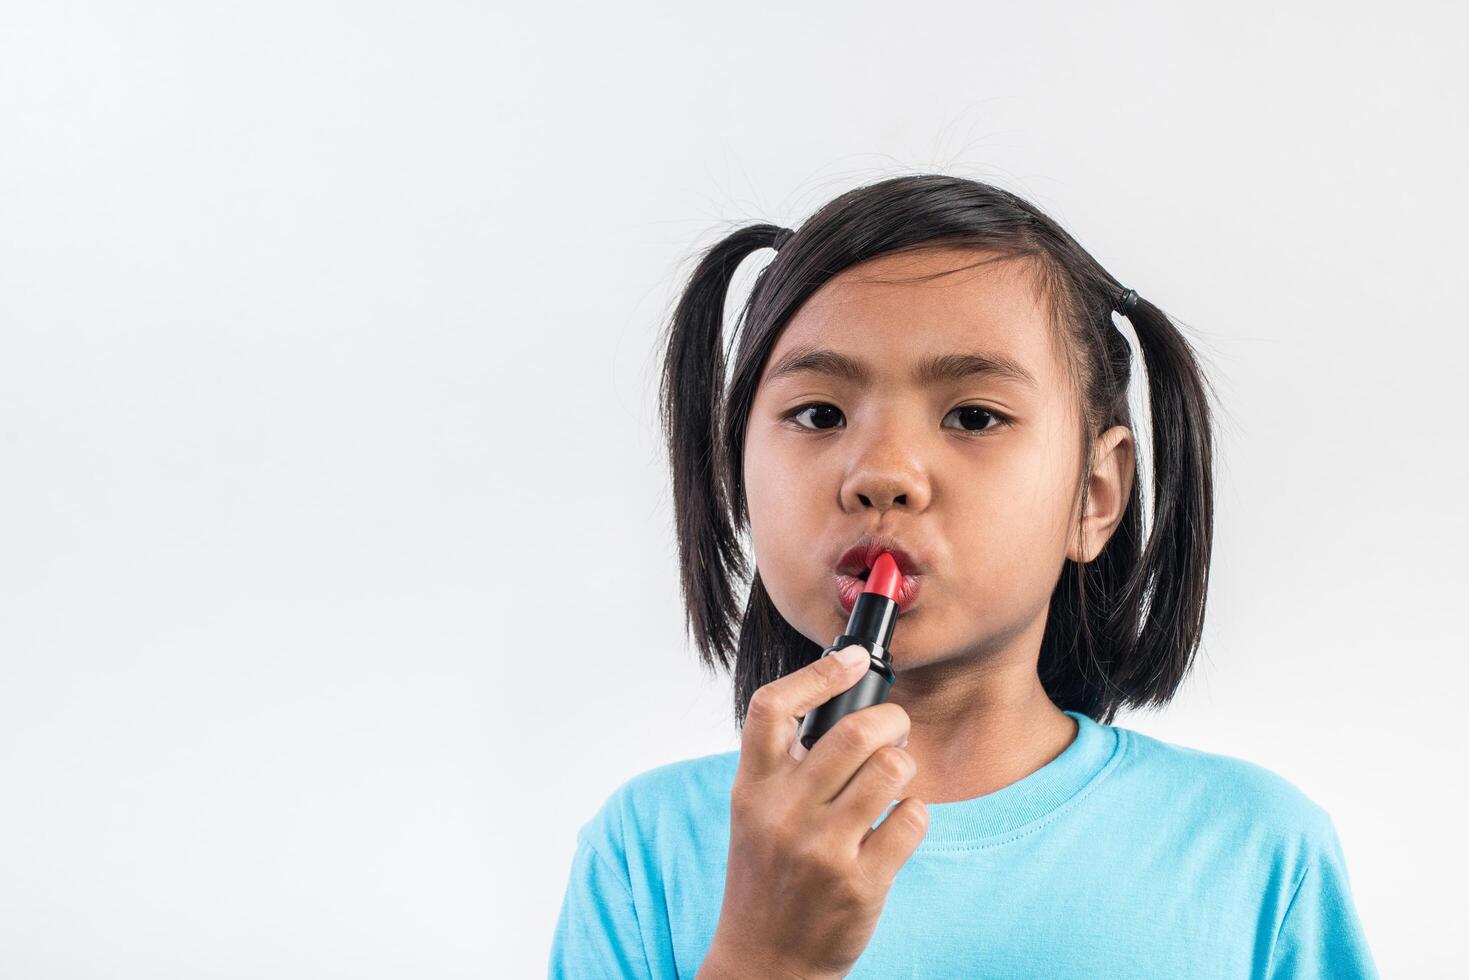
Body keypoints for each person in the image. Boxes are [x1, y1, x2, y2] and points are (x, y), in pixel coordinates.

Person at [547, 174, 1378, 978]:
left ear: (1092, 496)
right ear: (736, 474)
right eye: (818, 415)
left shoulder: (1253, 850)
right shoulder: (645, 852)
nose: (881, 473)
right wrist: (768, 963)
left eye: (973, 417)